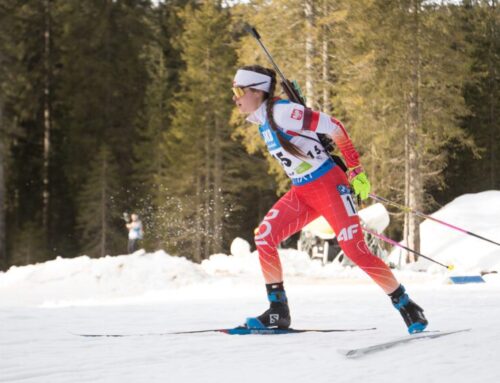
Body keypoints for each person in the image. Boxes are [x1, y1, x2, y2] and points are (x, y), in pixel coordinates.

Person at [232, 65, 428, 334]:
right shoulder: (263, 117)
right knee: (265, 236)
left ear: (258, 91)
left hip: (329, 186)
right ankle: (278, 312)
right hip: (302, 191)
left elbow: (334, 126)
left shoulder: (281, 112)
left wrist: (356, 170)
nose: (234, 96)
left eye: (238, 90)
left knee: (354, 249)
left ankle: (407, 306)